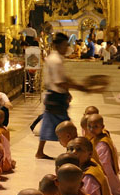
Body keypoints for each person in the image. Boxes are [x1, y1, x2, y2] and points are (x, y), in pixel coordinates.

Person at [36, 32, 92, 160]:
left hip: (54, 96)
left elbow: (63, 79)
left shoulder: (55, 58)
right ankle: (75, 151)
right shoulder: (55, 60)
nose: (67, 48)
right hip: (55, 97)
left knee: (48, 125)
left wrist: (68, 91)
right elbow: (60, 82)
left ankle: (40, 151)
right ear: (58, 45)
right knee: (68, 128)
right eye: (65, 45)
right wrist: (80, 87)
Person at [85, 113, 120, 195]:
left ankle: (114, 190)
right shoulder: (94, 137)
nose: (92, 129)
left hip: (105, 170)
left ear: (102, 127)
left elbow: (104, 163)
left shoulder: (103, 143)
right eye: (89, 126)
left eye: (95, 126)